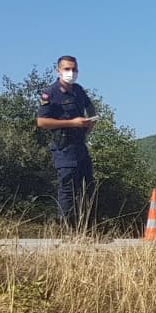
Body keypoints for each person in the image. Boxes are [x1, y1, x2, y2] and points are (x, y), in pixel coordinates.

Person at [35, 55, 97, 228]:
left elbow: (90, 108)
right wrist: (71, 123)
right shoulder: (50, 93)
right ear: (58, 70)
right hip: (64, 147)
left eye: (74, 69)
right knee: (68, 189)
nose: (71, 73)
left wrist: (89, 124)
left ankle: (87, 229)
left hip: (80, 146)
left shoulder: (78, 90)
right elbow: (41, 122)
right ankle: (67, 229)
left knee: (87, 187)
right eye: (67, 69)